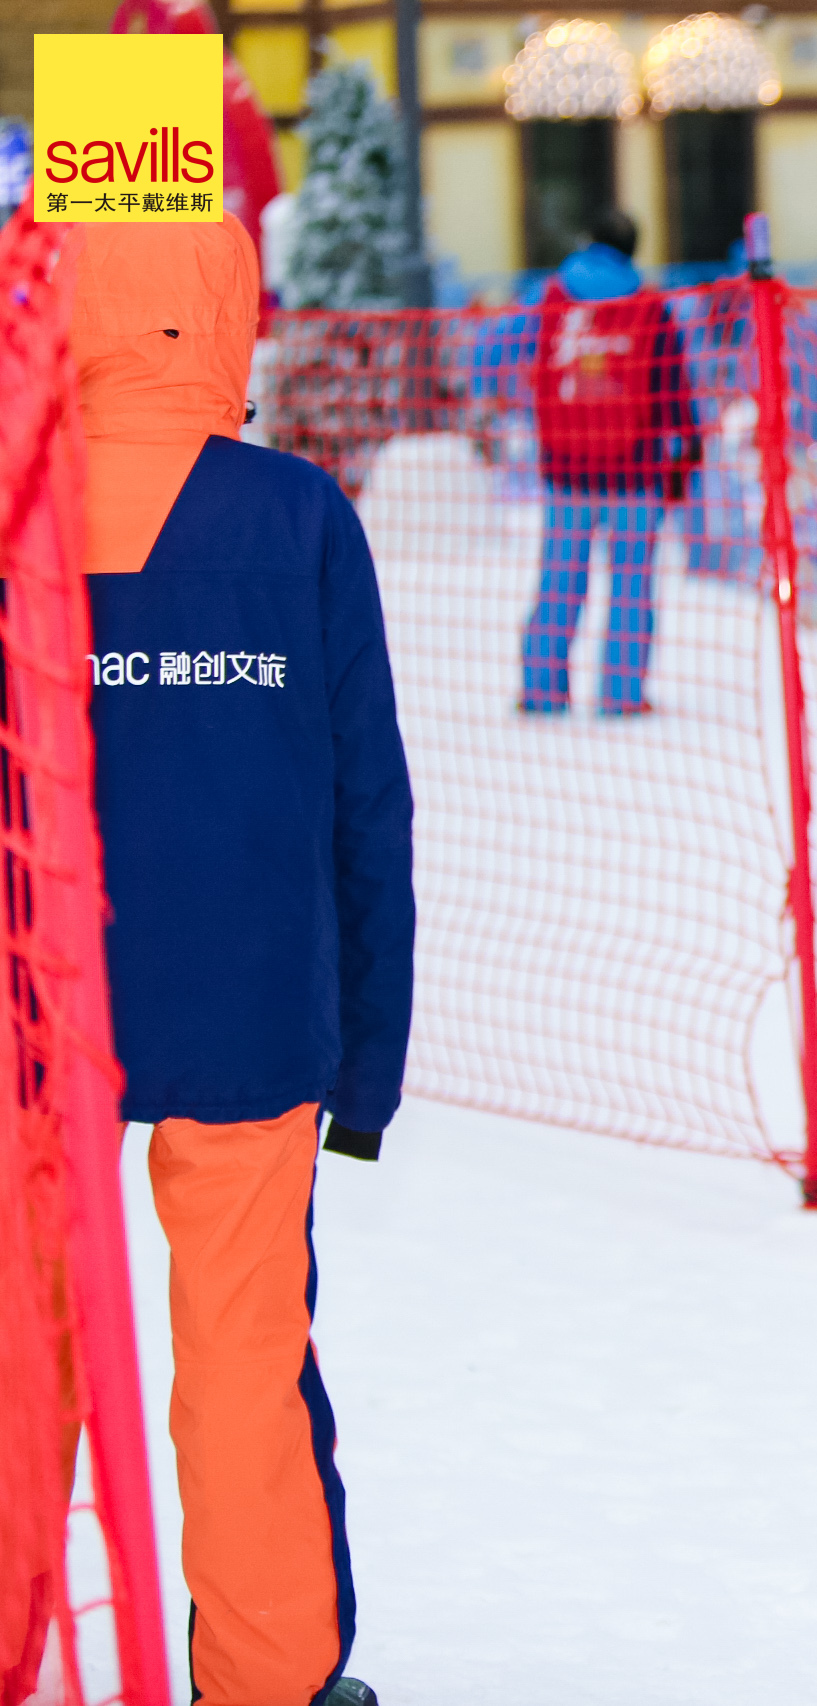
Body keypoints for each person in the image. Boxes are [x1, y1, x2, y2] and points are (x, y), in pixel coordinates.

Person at [70, 214, 413, 1706]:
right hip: (254, 1001)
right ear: (226, 303)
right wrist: (367, 1066)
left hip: (41, 1006)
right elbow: (367, 804)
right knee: (243, 1348)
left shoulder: (18, 506)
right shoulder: (297, 516)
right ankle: (269, 1674)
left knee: (22, 1346)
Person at [520, 208, 696, 716]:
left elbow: (522, 361)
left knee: (559, 578)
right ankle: (621, 694)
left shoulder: (551, 298)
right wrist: (688, 450)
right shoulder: (650, 306)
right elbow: (671, 386)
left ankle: (542, 688)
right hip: (634, 468)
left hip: (565, 464)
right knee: (630, 582)